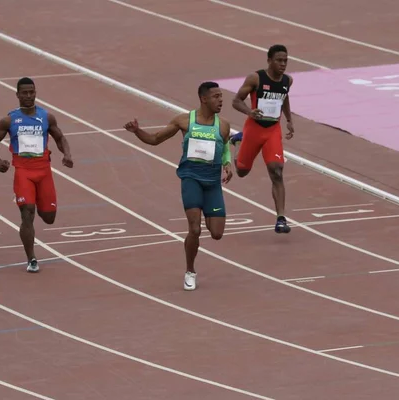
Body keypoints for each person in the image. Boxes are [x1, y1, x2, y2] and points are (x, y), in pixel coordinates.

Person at [123, 81, 233, 291]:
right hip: (191, 178)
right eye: (216, 96)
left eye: (221, 96)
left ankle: (206, 227)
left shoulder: (223, 125)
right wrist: (138, 131)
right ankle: (190, 271)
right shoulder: (184, 121)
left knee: (217, 233)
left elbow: (225, 145)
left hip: (212, 184)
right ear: (204, 99)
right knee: (194, 228)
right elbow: (155, 139)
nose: (221, 100)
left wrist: (228, 163)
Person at [0, 77, 73, 273]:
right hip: (23, 171)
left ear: (35, 93)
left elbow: (60, 138)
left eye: (31, 92)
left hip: (43, 171)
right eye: (24, 93)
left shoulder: (46, 117)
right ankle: (31, 258)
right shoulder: (9, 120)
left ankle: (41, 211)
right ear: (17, 95)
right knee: (27, 214)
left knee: (49, 217)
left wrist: (66, 154)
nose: (28, 96)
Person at [229, 44, 295, 234]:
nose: (283, 64)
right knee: (242, 171)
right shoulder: (256, 78)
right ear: (269, 61)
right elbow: (236, 101)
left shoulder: (287, 81)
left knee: (277, 170)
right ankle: (237, 142)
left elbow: (284, 98)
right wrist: (250, 112)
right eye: (279, 60)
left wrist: (289, 120)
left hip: (273, 130)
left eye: (285, 61)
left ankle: (281, 218)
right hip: (254, 129)